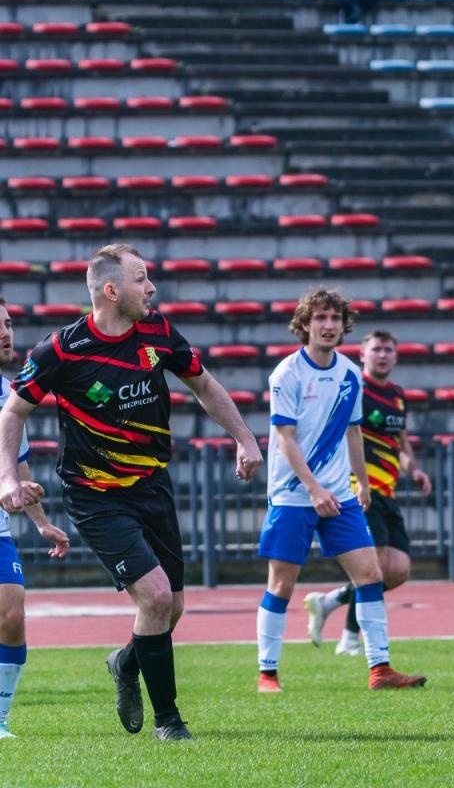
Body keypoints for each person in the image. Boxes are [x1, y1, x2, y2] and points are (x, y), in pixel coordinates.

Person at [0, 244, 263, 741]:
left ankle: (124, 663)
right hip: (95, 495)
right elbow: (12, 411)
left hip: (151, 486)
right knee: (157, 596)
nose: (152, 288)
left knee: (170, 608)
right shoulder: (62, 349)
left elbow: (204, 386)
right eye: (142, 279)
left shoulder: (158, 331)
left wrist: (245, 437)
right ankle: (169, 721)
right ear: (111, 290)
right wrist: (8, 478)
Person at [255, 289, 426, 694]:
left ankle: (380, 669)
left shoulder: (350, 374)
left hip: (340, 495)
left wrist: (362, 483)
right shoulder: (287, 374)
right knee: (281, 583)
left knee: (370, 575)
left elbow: (352, 431)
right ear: (305, 324)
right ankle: (267, 674)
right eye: (321, 318)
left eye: (335, 318)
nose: (329, 326)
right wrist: (313, 489)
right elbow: (286, 439)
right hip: (293, 495)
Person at [304, 331, 432, 657]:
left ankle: (330, 600)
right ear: (363, 354)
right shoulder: (353, 387)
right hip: (359, 489)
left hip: (387, 491)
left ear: (396, 356)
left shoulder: (397, 396)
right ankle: (349, 638)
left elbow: (399, 442)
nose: (383, 355)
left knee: (398, 569)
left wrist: (413, 469)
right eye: (376, 349)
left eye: (389, 350)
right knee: (372, 565)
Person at [0, 300, 73, 739]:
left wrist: (41, 521)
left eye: (7, 324)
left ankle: (0, 719)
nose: (6, 333)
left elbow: (17, 466)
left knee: (11, 614)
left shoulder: (11, 397)